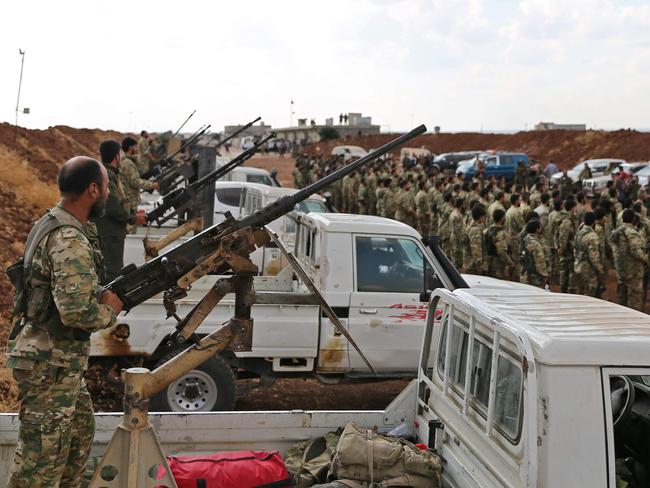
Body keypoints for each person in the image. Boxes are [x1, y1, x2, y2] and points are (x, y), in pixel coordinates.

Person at [6, 157, 123, 487]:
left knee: (76, 440)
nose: (109, 194)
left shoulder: (53, 222)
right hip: (48, 363)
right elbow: (76, 313)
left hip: (57, 362)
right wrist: (109, 309)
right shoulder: (69, 238)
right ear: (92, 189)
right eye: (107, 187)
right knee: (40, 465)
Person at [92, 139, 142, 283]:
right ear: (117, 156)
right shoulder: (107, 176)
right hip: (109, 234)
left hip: (109, 233)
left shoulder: (106, 173)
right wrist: (132, 218)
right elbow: (113, 207)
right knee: (112, 273)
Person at [611, 209, 649, 311]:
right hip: (633, 270)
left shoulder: (616, 232)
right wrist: (647, 260)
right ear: (633, 219)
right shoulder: (632, 233)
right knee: (635, 299)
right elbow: (636, 252)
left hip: (621, 269)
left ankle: (621, 318)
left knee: (622, 297)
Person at [119, 137, 159, 234]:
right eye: (135, 147)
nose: (137, 149)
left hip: (129, 199)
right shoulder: (127, 163)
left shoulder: (128, 161)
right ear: (130, 147)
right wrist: (151, 185)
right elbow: (135, 181)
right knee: (129, 231)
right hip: (130, 200)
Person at [573, 212, 605, 297]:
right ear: (594, 222)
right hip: (588, 270)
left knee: (580, 293)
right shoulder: (592, 236)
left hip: (578, 265)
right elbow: (594, 258)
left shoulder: (578, 233)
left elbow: (575, 249)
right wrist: (600, 270)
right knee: (589, 295)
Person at [485, 208, 514, 280]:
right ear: (502, 218)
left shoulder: (487, 230)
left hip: (489, 262)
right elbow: (501, 251)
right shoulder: (500, 233)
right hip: (499, 265)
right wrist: (510, 263)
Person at [520, 219, 549, 288]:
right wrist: (544, 275)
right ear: (537, 229)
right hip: (535, 278)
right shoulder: (535, 244)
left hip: (525, 274)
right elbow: (540, 262)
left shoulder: (524, 240)